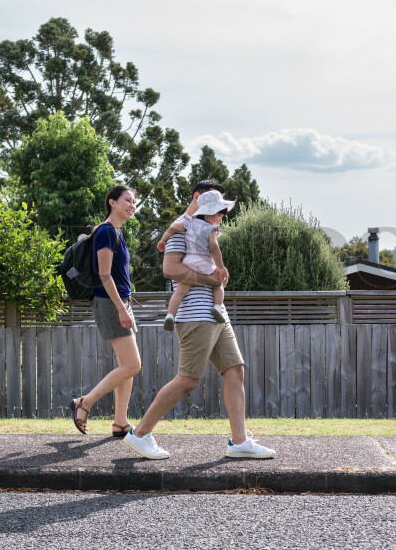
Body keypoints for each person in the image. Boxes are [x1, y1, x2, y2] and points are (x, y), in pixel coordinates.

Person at [123, 180, 276, 460]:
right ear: (197, 197)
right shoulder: (182, 228)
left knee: (235, 370)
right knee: (188, 380)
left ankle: (239, 441)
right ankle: (140, 434)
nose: (220, 213)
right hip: (194, 314)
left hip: (216, 314)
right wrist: (210, 280)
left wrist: (218, 278)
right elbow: (170, 269)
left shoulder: (207, 228)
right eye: (215, 205)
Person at [69, 185, 141, 437]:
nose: (132, 205)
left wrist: (125, 305)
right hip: (111, 303)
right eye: (127, 200)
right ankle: (84, 402)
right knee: (132, 365)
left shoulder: (116, 232)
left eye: (134, 202)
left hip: (120, 302)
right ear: (112, 202)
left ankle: (120, 422)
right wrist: (121, 309)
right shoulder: (107, 231)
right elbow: (104, 275)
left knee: (126, 366)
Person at [156, 189, 235, 330]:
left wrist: (163, 240)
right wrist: (221, 266)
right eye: (219, 215)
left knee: (180, 291)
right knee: (218, 284)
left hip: (189, 262)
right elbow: (214, 248)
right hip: (205, 263)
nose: (220, 219)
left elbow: (173, 228)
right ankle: (217, 306)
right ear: (209, 213)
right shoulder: (211, 230)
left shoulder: (189, 222)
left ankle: (170, 315)